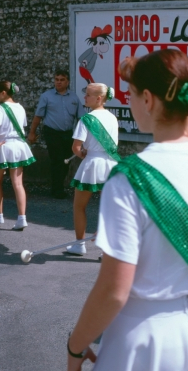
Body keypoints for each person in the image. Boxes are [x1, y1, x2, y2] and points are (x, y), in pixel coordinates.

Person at [66, 49, 188, 371]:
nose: (130, 102)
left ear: (149, 100)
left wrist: (75, 348)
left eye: (133, 95)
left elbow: (113, 290)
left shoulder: (128, 178)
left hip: (148, 337)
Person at [66, 83, 119, 256]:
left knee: (79, 206)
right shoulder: (112, 118)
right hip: (111, 165)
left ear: (99, 98)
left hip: (91, 165)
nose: (84, 98)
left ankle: (79, 245)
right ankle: (107, 251)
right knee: (108, 208)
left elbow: (76, 147)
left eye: (88, 94)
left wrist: (81, 154)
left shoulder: (86, 119)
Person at [28, 69, 85, 198]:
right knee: (57, 160)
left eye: (62, 80)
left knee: (66, 161)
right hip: (52, 133)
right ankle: (57, 189)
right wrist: (32, 133)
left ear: (67, 82)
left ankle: (59, 185)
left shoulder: (74, 97)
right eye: (56, 79)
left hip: (68, 134)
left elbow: (81, 117)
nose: (58, 82)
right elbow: (38, 116)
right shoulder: (46, 96)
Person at [0, 81, 36, 230]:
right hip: (18, 146)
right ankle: (22, 218)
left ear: (3, 93)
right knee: (18, 183)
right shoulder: (20, 108)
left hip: (4, 146)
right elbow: (22, 127)